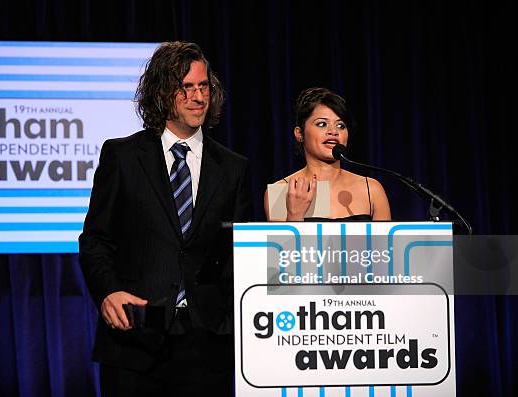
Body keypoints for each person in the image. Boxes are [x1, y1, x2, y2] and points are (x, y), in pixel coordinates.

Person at [79, 41, 252, 397]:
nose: (197, 97)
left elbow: (236, 252)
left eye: (203, 86)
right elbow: (96, 239)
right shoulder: (123, 156)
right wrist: (108, 291)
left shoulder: (233, 168)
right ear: (161, 93)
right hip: (135, 337)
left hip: (208, 345)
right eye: (185, 88)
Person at [264, 87, 391, 221]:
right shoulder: (281, 192)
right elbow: (284, 243)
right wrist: (295, 215)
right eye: (322, 124)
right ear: (299, 134)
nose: (333, 131)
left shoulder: (371, 190)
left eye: (341, 125)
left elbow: (385, 242)